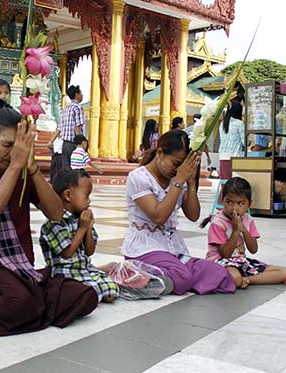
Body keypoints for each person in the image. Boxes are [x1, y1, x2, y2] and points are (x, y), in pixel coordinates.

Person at [0, 99, 98, 336]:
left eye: (18, 148)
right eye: (7, 145)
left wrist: (31, 168)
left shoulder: (23, 173)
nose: (12, 154)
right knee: (20, 302)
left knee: (85, 295)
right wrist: (15, 166)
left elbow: (56, 213)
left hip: (19, 266)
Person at [122, 129, 236, 295]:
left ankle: (159, 279)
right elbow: (159, 216)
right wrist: (178, 181)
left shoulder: (178, 179)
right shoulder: (138, 177)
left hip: (172, 248)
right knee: (182, 277)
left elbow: (193, 215)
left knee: (220, 274)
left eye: (181, 166)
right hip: (144, 248)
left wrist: (190, 182)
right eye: (175, 164)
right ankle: (127, 273)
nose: (176, 170)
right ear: (160, 153)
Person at [40, 169, 119, 303]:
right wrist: (82, 228)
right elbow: (67, 253)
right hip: (64, 272)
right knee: (85, 293)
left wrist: (87, 228)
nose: (89, 201)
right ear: (68, 195)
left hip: (83, 269)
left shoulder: (81, 219)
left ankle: (96, 285)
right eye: (86, 195)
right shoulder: (54, 222)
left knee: (112, 291)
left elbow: (89, 251)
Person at [203, 177, 286, 288]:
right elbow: (225, 254)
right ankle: (241, 279)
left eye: (241, 203)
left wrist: (244, 230)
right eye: (229, 202)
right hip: (220, 262)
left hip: (241, 262)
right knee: (235, 278)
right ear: (222, 200)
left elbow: (253, 249)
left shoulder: (248, 219)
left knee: (283, 271)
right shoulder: (218, 223)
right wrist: (235, 231)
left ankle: (248, 279)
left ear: (249, 204)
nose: (234, 208)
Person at [51, 85, 85, 169]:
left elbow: (59, 128)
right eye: (81, 93)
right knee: (75, 169)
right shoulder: (77, 108)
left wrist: (51, 141)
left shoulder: (65, 109)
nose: (82, 95)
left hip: (65, 144)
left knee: (65, 168)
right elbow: (77, 126)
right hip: (73, 144)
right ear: (76, 95)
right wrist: (79, 143)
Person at [218, 101, 244, 180]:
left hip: (222, 156)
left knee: (225, 181)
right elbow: (245, 142)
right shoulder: (239, 123)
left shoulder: (222, 123)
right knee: (234, 183)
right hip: (234, 156)